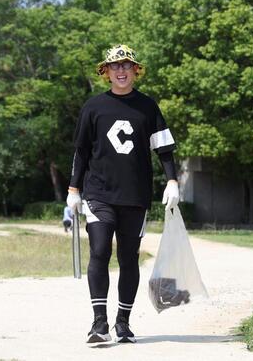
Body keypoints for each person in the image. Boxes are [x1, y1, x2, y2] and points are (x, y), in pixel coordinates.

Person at [66, 45, 179, 344]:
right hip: (98, 193)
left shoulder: (148, 107)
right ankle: (99, 322)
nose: (121, 71)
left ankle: (123, 323)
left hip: (135, 195)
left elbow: (164, 149)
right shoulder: (93, 107)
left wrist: (173, 182)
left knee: (129, 259)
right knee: (100, 251)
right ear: (106, 72)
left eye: (126, 66)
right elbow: (81, 151)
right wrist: (73, 190)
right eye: (115, 67)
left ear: (135, 71)